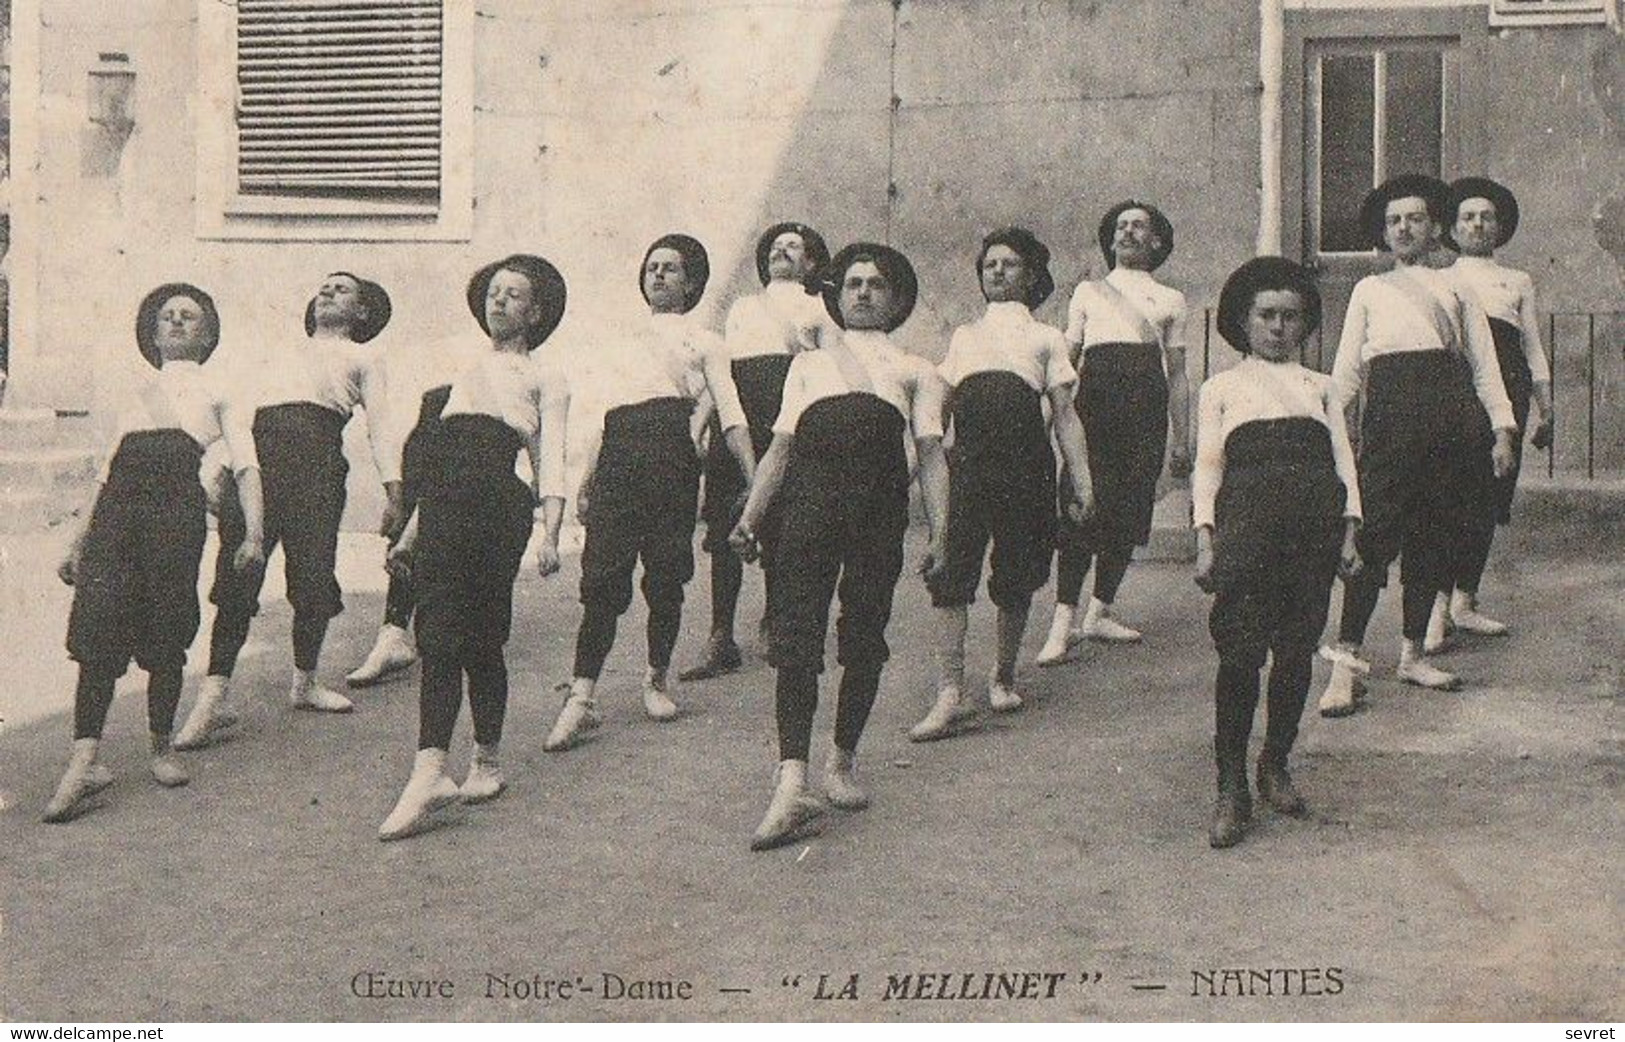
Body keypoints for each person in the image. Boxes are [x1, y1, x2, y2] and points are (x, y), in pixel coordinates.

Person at [730, 242, 949, 850]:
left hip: (877, 515)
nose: (862, 293)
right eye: (852, 283)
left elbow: (931, 457)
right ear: (835, 295)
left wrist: (941, 530)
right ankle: (792, 779)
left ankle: (842, 761)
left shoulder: (915, 371)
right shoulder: (808, 366)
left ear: (897, 299)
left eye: (876, 285)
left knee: (864, 634)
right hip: (808, 510)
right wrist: (750, 517)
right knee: (797, 634)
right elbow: (779, 449)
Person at [44, 284, 266, 822]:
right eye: (167, 317)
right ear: (152, 332)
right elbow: (104, 474)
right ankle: (86, 757)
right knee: (98, 631)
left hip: (174, 516)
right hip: (117, 517)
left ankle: (161, 746)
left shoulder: (220, 390)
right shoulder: (134, 393)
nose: (175, 323)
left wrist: (254, 533)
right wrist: (78, 539)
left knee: (166, 629)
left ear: (208, 333)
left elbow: (246, 466)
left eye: (188, 317)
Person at [378, 255, 570, 841]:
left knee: (482, 637)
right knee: (437, 635)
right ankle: (430, 770)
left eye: (514, 295)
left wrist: (551, 536)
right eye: (493, 292)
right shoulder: (466, 372)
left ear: (536, 313)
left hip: (498, 507)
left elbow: (550, 462)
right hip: (446, 505)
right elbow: (436, 468)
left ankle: (486, 761)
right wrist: (411, 533)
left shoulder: (544, 377)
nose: (499, 302)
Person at [1317, 175, 1518, 715]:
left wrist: (1502, 431)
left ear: (1434, 227)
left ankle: (1411, 654)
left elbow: (1485, 368)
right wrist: (1329, 432)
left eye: (1415, 219)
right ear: (1384, 232)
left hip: (1451, 428)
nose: (1404, 228)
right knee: (1371, 545)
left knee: (1432, 540)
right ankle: (1347, 666)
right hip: (1390, 430)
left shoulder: (1460, 290)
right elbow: (1346, 373)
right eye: (1393, 220)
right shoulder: (1370, 290)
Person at [173, 272, 397, 749]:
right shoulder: (280, 352)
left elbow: (380, 427)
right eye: (323, 287)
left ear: (362, 313)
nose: (328, 292)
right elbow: (241, 415)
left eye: (342, 289)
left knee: (313, 577)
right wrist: (224, 464)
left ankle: (306, 681)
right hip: (261, 459)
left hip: (317, 465)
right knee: (237, 575)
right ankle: (213, 698)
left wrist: (393, 491)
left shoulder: (364, 357)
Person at [1192, 257, 1362, 848]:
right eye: (1266, 315)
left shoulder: (1322, 388)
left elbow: (1344, 463)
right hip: (1247, 534)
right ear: (1244, 321)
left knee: (1295, 655)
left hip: (1311, 536)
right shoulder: (1222, 388)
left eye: (1291, 317)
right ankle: (1230, 784)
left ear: (1306, 325)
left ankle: (1275, 764)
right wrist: (1206, 538)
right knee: (1240, 657)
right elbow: (1207, 467)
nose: (1278, 327)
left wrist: (1348, 532)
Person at [911, 228, 1093, 741]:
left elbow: (1065, 416)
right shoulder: (965, 337)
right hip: (968, 467)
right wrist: (920, 470)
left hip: (1025, 469)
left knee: (1018, 570)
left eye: (1010, 264)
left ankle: (1004, 675)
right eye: (990, 264)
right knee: (951, 569)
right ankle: (950, 692)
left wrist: (1082, 481)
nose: (997, 271)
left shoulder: (1046, 338)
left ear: (1031, 276)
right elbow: (935, 416)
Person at [544, 234, 721, 751]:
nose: (659, 275)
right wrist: (589, 473)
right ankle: (582, 695)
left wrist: (694, 436)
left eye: (671, 269)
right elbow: (606, 409)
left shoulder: (701, 340)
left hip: (671, 457)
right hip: (620, 454)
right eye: (652, 267)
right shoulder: (622, 340)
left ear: (691, 283)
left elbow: (718, 402)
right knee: (602, 578)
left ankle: (656, 676)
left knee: (666, 576)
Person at [1037, 200, 1191, 663]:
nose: (1127, 233)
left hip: (1145, 408)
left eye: (1138, 227)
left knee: (1129, 507)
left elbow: (1178, 374)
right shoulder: (1088, 292)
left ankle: (1099, 611)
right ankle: (1062, 620)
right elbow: (1065, 364)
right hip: (1096, 408)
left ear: (1156, 241)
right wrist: (1045, 423)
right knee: (1082, 507)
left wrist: (1180, 437)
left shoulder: (1170, 299)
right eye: (1121, 227)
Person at [680, 221, 830, 681]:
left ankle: (773, 621)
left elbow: (823, 367)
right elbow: (721, 374)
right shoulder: (745, 307)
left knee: (780, 516)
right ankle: (720, 635)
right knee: (727, 521)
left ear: (810, 262)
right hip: (741, 412)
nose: (781, 252)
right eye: (775, 247)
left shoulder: (820, 305)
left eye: (793, 247)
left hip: (788, 409)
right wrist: (700, 423)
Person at [1426, 177, 1554, 650]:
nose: (1478, 224)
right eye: (1467, 217)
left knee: (1488, 497)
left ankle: (1465, 601)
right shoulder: (1442, 279)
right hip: (1462, 391)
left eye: (1487, 217)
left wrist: (1546, 405)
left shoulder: (1517, 281)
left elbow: (1532, 346)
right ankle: (1436, 606)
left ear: (1499, 228)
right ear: (1453, 230)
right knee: (1452, 496)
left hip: (1512, 391)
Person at [346, 332, 485, 688]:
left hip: (479, 484)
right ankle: (393, 633)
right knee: (437, 415)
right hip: (436, 489)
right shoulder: (438, 406)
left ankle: (398, 630)